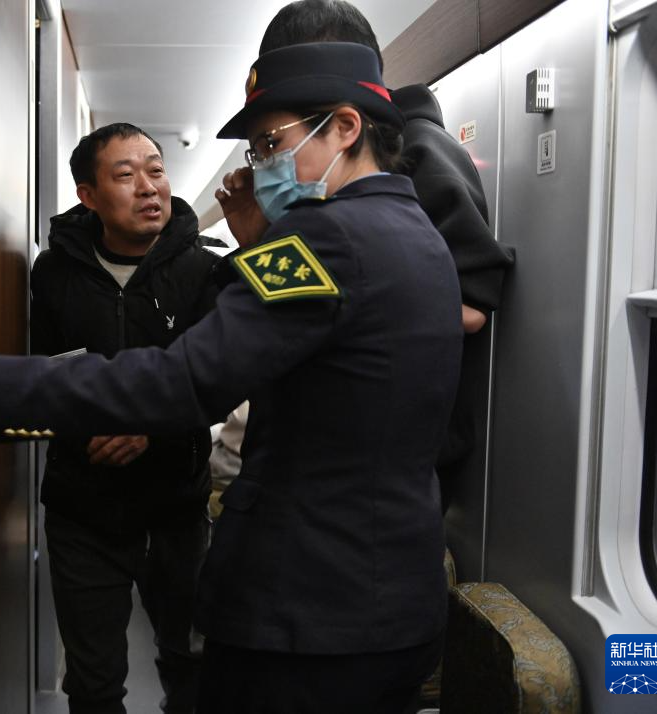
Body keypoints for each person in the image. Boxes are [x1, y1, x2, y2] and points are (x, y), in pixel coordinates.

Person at [0, 42, 462, 713]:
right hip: (394, 600)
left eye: (271, 143)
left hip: (312, 613)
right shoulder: (419, 234)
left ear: (347, 128)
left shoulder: (328, 239)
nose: (262, 165)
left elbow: (185, 378)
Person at [220, 0, 516, 507]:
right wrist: (258, 244)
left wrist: (347, 296)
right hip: (307, 453)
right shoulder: (320, 174)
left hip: (381, 461)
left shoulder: (420, 153)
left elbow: (469, 306)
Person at [31, 123, 218, 714]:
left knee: (190, 660)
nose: (148, 187)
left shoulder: (203, 271)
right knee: (92, 681)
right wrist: (86, 425)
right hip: (82, 508)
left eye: (156, 170)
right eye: (125, 175)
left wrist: (154, 427)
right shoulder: (53, 273)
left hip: (176, 508)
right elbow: (44, 374)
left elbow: (220, 379)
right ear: (88, 195)